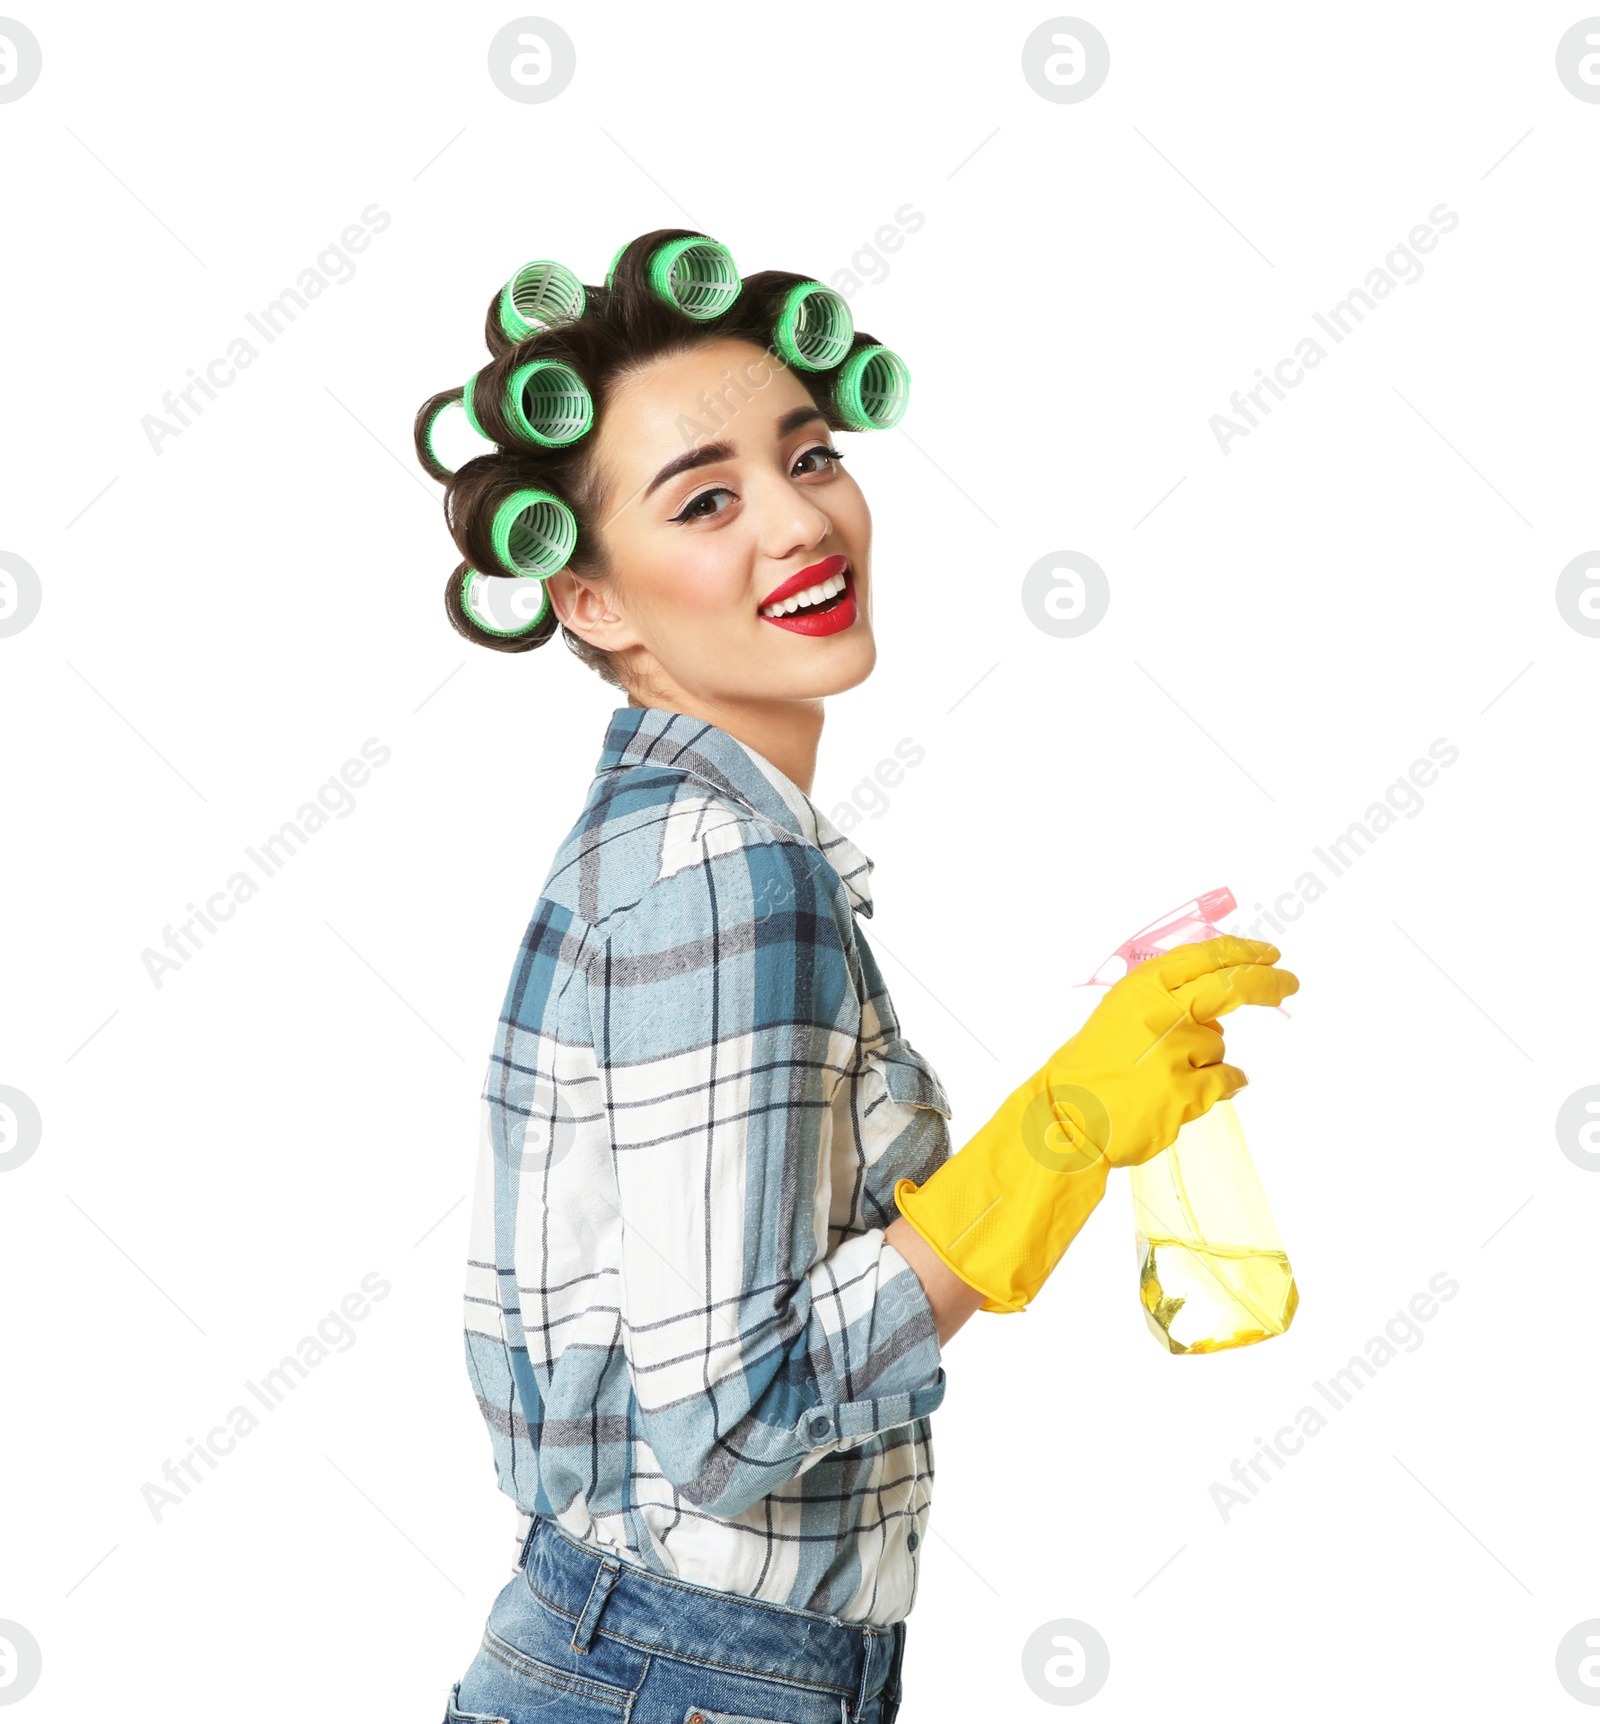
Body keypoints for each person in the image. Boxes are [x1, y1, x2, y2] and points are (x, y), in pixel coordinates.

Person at [415, 231, 1299, 1724]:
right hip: (685, 1679)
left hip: (654, 1660)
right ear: (595, 605)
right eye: (706, 499)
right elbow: (732, 1419)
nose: (797, 524)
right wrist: (1057, 1138)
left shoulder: (694, 843)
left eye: (808, 456)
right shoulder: (719, 872)